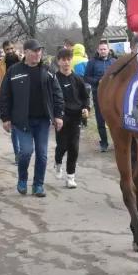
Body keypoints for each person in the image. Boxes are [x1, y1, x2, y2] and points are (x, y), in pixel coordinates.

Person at [0, 38, 64, 197]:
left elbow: (57, 94)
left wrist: (58, 115)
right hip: (22, 121)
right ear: (26, 52)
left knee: (42, 154)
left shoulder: (48, 71)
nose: (37, 53)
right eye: (34, 51)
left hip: (42, 121)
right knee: (26, 151)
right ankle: (22, 179)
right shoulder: (14, 71)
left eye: (39, 51)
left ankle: (38, 185)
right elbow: (4, 96)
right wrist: (5, 117)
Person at [54, 48, 90, 188]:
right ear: (58, 62)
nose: (66, 63)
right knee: (62, 146)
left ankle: (70, 177)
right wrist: (54, 116)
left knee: (74, 148)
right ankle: (57, 162)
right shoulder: (54, 79)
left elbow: (85, 97)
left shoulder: (77, 79)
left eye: (68, 59)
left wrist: (86, 108)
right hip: (60, 118)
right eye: (63, 60)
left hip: (75, 117)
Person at [0, 40, 21, 164]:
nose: (9, 51)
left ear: (14, 49)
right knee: (14, 129)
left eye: (11, 48)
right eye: (7, 49)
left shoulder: (22, 62)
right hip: (8, 100)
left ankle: (24, 151)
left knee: (24, 127)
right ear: (3, 51)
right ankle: (17, 154)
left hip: (22, 98)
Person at [85, 41, 116, 152]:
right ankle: (104, 143)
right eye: (101, 49)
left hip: (113, 96)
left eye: (105, 49)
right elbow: (87, 77)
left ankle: (116, 142)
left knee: (114, 119)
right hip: (98, 94)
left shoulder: (114, 61)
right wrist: (98, 81)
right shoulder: (92, 62)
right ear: (98, 50)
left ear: (108, 50)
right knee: (100, 119)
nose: (103, 51)